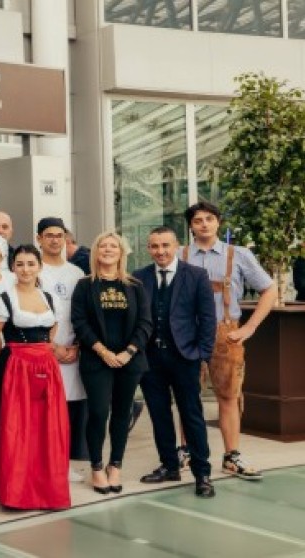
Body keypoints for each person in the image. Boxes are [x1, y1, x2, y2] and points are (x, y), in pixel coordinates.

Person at [180, 201, 277, 480]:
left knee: (229, 395)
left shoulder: (239, 254)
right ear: (191, 226)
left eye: (209, 219)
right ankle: (187, 452)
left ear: (218, 222)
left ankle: (231, 456)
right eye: (198, 220)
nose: (204, 224)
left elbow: (269, 290)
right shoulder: (179, 254)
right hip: (187, 333)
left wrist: (250, 327)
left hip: (226, 333)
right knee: (188, 395)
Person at [135, 226, 217, 498]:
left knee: (191, 415)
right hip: (150, 359)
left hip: (185, 357)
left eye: (165, 245)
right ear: (148, 248)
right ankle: (169, 465)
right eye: (154, 246)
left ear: (176, 246)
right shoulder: (139, 277)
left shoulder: (196, 275)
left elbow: (208, 318)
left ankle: (202, 473)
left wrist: (203, 355)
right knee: (159, 414)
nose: (160, 251)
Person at [70, 231, 153, 495]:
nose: (108, 250)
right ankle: (96, 466)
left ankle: (115, 465)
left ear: (121, 252)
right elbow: (79, 322)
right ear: (96, 252)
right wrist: (103, 351)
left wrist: (129, 351)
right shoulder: (85, 285)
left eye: (113, 246)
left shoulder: (135, 285)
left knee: (122, 413)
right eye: (103, 246)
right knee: (98, 413)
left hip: (129, 361)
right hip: (96, 360)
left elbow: (145, 323)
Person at [0, 245, 70, 510]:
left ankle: (47, 490)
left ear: (39, 267)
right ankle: (16, 493)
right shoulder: (3, 299)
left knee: (47, 426)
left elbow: (52, 332)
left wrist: (42, 352)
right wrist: (6, 363)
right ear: (12, 267)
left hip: (46, 366)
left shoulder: (50, 298)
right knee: (16, 427)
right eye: (20, 264)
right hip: (16, 367)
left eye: (31, 264)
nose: (25, 269)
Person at [35, 217, 90, 482]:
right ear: (39, 239)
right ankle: (41, 464)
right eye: (49, 235)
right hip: (44, 351)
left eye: (59, 235)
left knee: (66, 412)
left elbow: (82, 314)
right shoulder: (34, 270)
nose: (55, 240)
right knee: (43, 410)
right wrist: (52, 347)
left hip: (73, 352)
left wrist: (77, 346)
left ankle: (62, 464)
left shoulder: (76, 273)